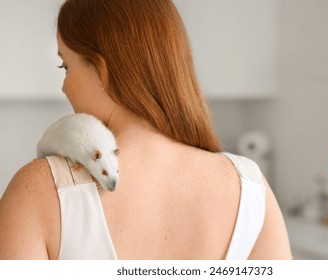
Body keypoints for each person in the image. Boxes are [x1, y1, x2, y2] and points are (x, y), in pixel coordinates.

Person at [0, 0, 291, 260]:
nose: (64, 86)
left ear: (101, 71)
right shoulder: (251, 187)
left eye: (66, 67)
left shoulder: (40, 190)